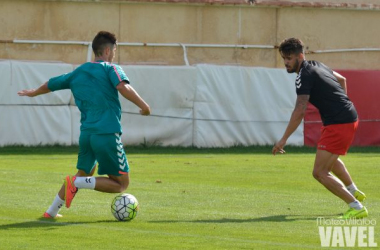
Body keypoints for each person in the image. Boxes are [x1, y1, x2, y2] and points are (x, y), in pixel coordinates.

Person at [18, 31, 151, 218]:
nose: (114, 54)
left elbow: (51, 84)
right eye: (114, 50)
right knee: (121, 184)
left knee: (84, 172)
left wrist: (34, 92)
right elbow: (122, 86)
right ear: (107, 50)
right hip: (106, 133)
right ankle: (77, 184)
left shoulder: (78, 72)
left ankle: (51, 211)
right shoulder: (110, 68)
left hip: (87, 134)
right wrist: (144, 107)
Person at [272, 38, 368, 219]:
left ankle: (356, 207)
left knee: (320, 172)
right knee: (330, 160)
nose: (286, 62)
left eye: (289, 58)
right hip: (346, 118)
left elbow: (300, 109)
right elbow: (342, 79)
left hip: (339, 122)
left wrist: (283, 139)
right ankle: (354, 191)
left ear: (300, 56)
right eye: (284, 58)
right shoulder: (318, 64)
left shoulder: (303, 76)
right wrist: (342, 104)